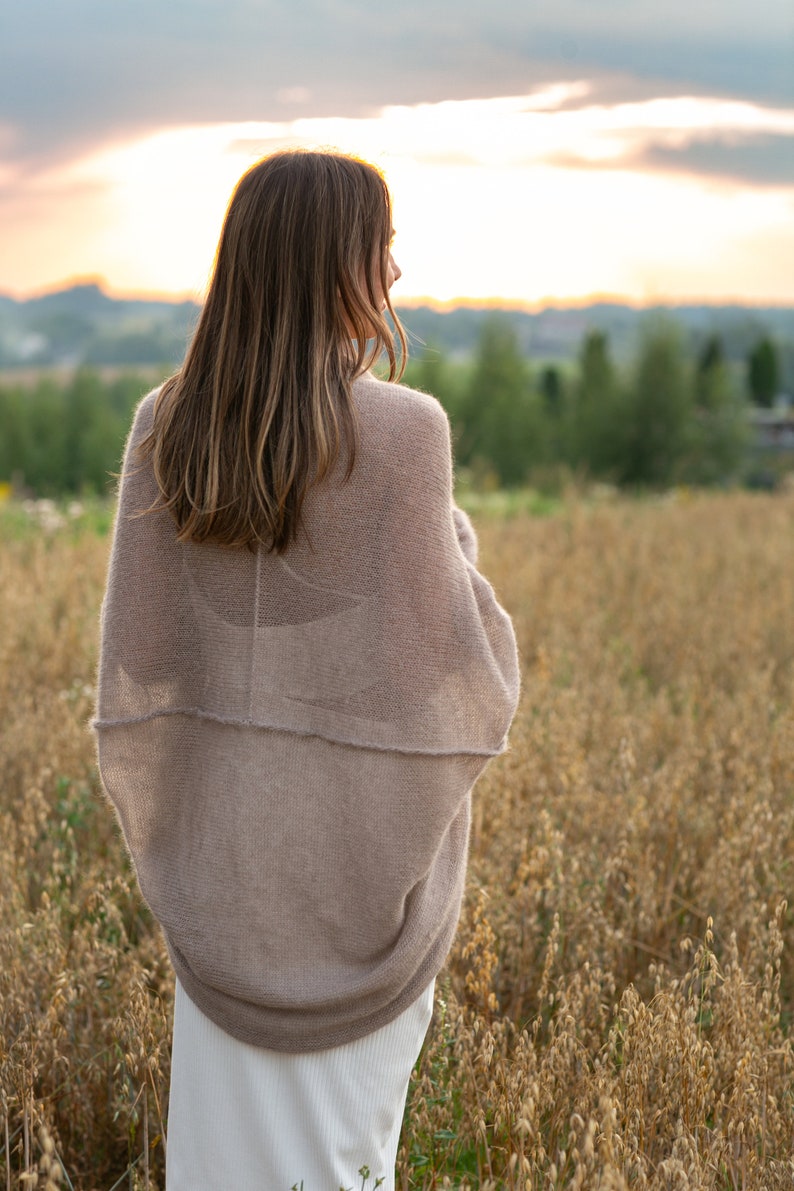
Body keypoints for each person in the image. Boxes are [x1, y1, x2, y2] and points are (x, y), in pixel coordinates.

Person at [94, 149, 519, 1191]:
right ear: (333, 263)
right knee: (340, 1164)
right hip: (349, 867)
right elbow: (448, 678)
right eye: (380, 247)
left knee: (220, 1166)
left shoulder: (166, 425)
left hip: (223, 870)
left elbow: (144, 659)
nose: (396, 272)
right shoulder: (402, 433)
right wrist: (448, 549)